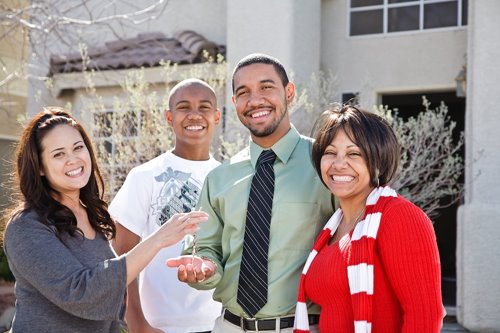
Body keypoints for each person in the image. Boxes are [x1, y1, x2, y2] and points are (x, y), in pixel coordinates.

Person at [167, 53, 335, 332]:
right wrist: (204, 267)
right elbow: (207, 248)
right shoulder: (220, 178)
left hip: (302, 327)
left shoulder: (325, 163)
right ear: (234, 103)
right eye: (243, 92)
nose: (255, 100)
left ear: (289, 92)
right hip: (229, 326)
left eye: (266, 87)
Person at [2, 107, 207, 333]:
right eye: (59, 154)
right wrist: (157, 240)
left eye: (78, 148)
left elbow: (110, 297)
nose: (73, 159)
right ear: (40, 166)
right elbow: (81, 293)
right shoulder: (26, 226)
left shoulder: (93, 216)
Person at [293, 104, 444, 333]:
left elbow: (424, 317)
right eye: (330, 152)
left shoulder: (398, 216)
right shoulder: (333, 227)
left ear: (378, 159)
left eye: (354, 153)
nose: (339, 164)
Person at [109, 78, 222, 333]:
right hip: (158, 326)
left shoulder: (227, 178)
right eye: (184, 107)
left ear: (216, 117)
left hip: (220, 324)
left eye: (204, 107)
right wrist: (138, 324)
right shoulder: (144, 176)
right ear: (169, 118)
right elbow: (119, 257)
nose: (195, 115)